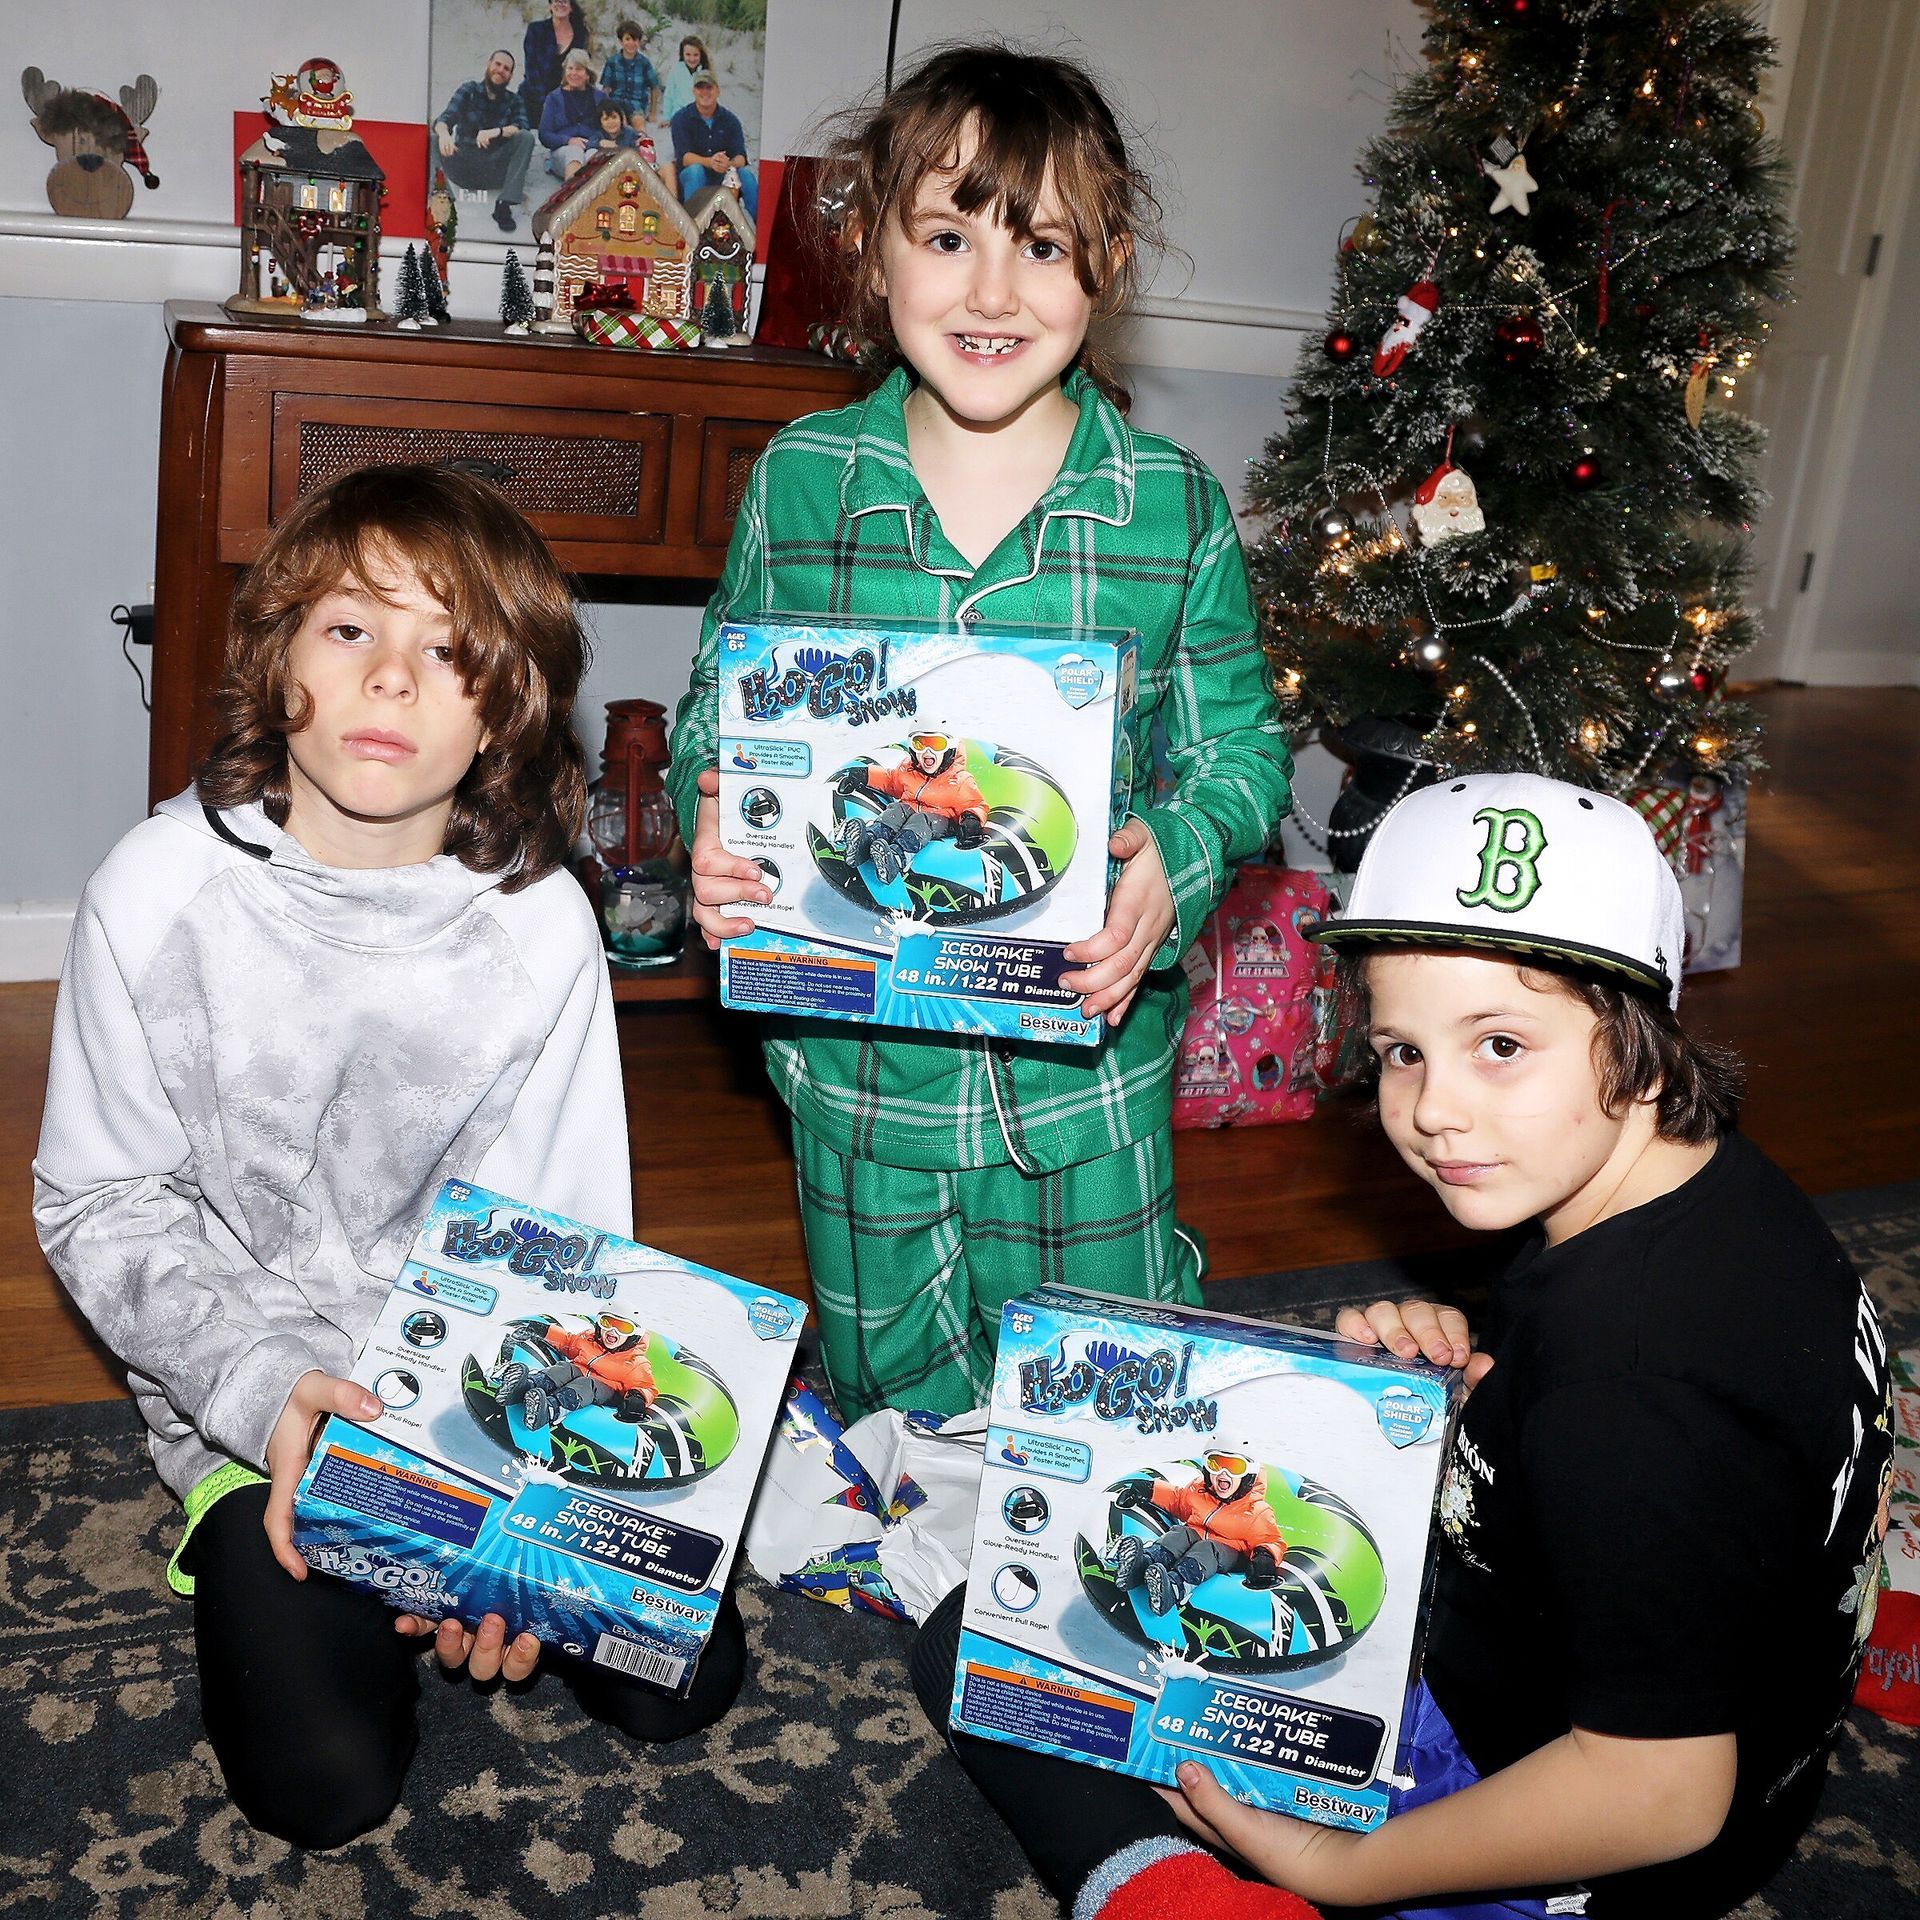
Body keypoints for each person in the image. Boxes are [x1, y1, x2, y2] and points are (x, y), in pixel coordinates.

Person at [908, 771, 1894, 1920]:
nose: (1434, 1109)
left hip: (1574, 1838)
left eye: (1501, 1045)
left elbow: (1661, 1793)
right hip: (1670, 1713)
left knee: (981, 1653)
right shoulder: (1702, 1197)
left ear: (1644, 1039)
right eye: (1404, 1050)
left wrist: (1334, 1866)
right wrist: (1489, 1396)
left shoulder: (1630, 1389)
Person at [33, 465, 747, 1851]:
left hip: (486, 1400)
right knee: (325, 1788)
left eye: (447, 652)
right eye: (352, 630)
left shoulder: (541, 927)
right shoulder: (155, 891)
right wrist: (267, 1392)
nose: (391, 681)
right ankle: (303, 1582)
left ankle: (421, 1585)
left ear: (503, 714)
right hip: (269, 1407)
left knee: (685, 1682)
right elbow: (103, 1203)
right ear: (278, 651)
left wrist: (504, 1500)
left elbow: (570, 1250)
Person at [665, 45, 1292, 1424]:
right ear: (873, 252)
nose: (993, 291)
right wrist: (709, 814)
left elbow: (1245, 758)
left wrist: (1172, 860)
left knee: (1097, 1407)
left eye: (1044, 245)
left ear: (1107, 265)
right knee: (888, 1416)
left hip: (1084, 1091)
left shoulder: (1168, 507)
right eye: (947, 237)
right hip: (858, 1085)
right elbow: (719, 711)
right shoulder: (804, 482)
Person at [1109, 1452, 1285, 1616]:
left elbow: (1270, 1539)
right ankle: (1141, 1565)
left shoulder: (1256, 1510)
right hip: (1196, 1537)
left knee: (1207, 1548)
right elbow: (1177, 1500)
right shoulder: (1199, 1491)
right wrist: (1149, 1490)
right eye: (1215, 1464)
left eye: (1234, 1467)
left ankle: (1174, 1587)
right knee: (1180, 1533)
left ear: (1248, 1475)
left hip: (1230, 1553)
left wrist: (1265, 1559)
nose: (1224, 1473)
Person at [835, 731, 989, 887]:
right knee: (896, 810)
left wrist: (972, 819)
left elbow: (974, 803)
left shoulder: (960, 780)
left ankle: (896, 858)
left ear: (949, 748)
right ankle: (866, 841)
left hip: (940, 820)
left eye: (936, 744)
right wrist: (865, 775)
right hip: (909, 811)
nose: (927, 752)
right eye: (920, 743)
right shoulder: (909, 770)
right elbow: (890, 781)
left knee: (920, 820)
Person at [495, 1311, 657, 1430]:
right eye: (607, 1323)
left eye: (623, 1327)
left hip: (607, 1391)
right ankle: (523, 1387)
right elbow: (567, 1341)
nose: (613, 1331)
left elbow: (646, 1386)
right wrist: (541, 1330)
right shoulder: (589, 1339)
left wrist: (637, 1398)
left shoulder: (635, 1361)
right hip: (578, 1374)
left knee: (587, 1384)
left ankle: (550, 1409)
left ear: (634, 1334)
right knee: (566, 1368)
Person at [433, 48, 534, 233]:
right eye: (497, 64)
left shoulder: (514, 100)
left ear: (510, 75)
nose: (501, 70)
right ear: (488, 65)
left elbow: (522, 126)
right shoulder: (469, 90)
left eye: (506, 68)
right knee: (433, 139)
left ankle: (504, 204)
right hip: (463, 164)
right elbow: (444, 119)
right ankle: (442, 200)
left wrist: (496, 132)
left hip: (495, 168)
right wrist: (445, 134)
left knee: (526, 138)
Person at [670, 68, 757, 220]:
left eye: (709, 87)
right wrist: (710, 162)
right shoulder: (681, 118)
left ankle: (763, 233)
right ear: (693, 91)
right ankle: (693, 227)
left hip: (724, 175)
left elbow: (741, 158)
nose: (705, 92)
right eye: (700, 87)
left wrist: (728, 163)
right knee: (695, 170)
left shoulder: (731, 120)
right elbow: (684, 157)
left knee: (746, 175)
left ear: (717, 91)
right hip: (691, 178)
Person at [539, 48, 611, 180]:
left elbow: (611, 126)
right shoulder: (554, 98)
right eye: (570, 68)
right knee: (574, 151)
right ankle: (570, 195)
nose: (573, 73)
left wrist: (597, 142)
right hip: (564, 150)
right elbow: (544, 134)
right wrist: (568, 140)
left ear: (587, 74)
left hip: (592, 147)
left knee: (593, 156)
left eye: (578, 69)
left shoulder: (600, 98)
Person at [521, 0, 590, 129]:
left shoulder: (580, 33)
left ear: (571, 7)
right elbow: (531, 70)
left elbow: (580, 71)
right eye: (556, 1)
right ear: (550, 6)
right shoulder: (536, 30)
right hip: (534, 95)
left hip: (566, 97)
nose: (560, 4)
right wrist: (545, 102)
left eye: (564, 1)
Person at [601, 17, 660, 131]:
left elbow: (654, 87)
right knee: (620, 124)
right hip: (616, 102)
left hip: (636, 103)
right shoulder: (612, 62)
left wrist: (652, 113)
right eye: (627, 39)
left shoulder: (644, 63)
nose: (631, 43)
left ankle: (643, 146)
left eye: (635, 39)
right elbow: (606, 89)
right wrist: (606, 108)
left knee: (639, 124)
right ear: (621, 41)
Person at [659, 33, 711, 124]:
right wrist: (666, 117)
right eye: (688, 54)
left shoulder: (705, 73)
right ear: (682, 54)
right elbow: (669, 95)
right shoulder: (676, 70)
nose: (692, 58)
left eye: (695, 55)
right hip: (679, 113)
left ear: (700, 55)